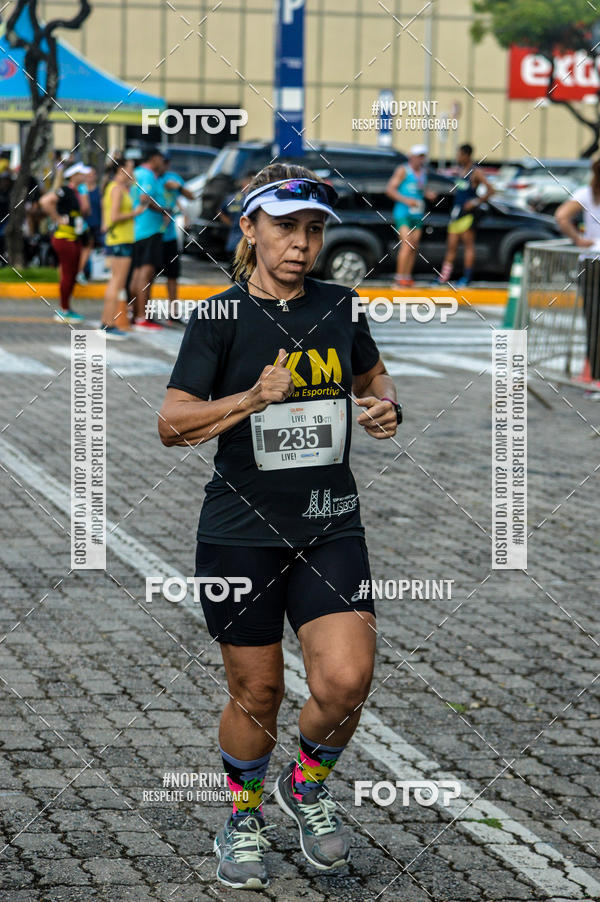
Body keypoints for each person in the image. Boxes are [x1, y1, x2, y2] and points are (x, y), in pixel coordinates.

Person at [159, 163, 402, 890]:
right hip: (240, 531)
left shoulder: (340, 305)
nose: (302, 244)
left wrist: (387, 405)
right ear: (251, 229)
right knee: (255, 696)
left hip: (331, 525)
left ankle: (305, 786)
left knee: (347, 679)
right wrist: (249, 398)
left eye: (315, 229)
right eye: (287, 227)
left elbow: (372, 376)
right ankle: (241, 814)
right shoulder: (218, 318)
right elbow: (173, 424)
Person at [556, 159, 600, 380]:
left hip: (591, 259)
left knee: (593, 320)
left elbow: (561, 216)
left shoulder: (587, 193)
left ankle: (595, 375)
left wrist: (578, 239)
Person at [40, 162, 92, 323]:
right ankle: (64, 309)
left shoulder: (78, 192)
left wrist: (84, 194)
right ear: (74, 176)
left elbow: (86, 211)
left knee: (72, 273)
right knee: (68, 274)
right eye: (82, 174)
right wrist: (57, 218)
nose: (85, 176)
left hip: (74, 237)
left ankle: (67, 307)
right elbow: (45, 201)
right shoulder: (66, 190)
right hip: (64, 238)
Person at [101, 157, 145, 339]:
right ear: (122, 170)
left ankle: (107, 322)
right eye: (130, 168)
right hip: (120, 240)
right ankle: (108, 324)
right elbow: (115, 216)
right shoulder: (117, 189)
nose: (133, 172)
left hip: (119, 239)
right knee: (117, 282)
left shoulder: (115, 187)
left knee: (116, 281)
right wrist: (136, 213)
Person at [438, 143, 494, 286]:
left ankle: (467, 277)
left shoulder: (475, 172)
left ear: (466, 155)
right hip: (456, 214)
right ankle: (444, 277)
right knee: (451, 246)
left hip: (468, 215)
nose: (458, 157)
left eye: (459, 154)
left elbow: (491, 190)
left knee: (468, 246)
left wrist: (475, 202)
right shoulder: (459, 171)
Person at [129, 147, 171, 329]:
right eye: (162, 159)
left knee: (138, 273)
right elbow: (145, 198)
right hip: (149, 230)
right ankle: (142, 316)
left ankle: (135, 312)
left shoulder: (137, 173)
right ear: (154, 159)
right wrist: (163, 210)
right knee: (146, 274)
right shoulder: (147, 175)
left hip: (138, 230)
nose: (163, 164)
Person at [386, 144, 436, 287]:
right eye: (418, 156)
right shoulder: (403, 170)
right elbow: (390, 190)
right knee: (406, 244)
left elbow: (420, 190)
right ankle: (399, 276)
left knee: (414, 246)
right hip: (403, 213)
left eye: (423, 157)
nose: (421, 160)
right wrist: (406, 200)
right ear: (411, 157)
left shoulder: (423, 172)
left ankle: (407, 277)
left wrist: (428, 194)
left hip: (417, 214)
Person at [158, 157, 194, 318]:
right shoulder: (150, 178)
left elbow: (191, 196)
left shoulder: (172, 178)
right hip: (152, 234)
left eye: (165, 164)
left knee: (173, 274)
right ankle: (141, 311)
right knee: (148, 273)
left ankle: (173, 311)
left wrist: (178, 187)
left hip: (169, 235)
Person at [218, 170, 256, 263]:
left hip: (232, 244)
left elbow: (220, 212)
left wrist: (231, 224)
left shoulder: (232, 198)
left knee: (234, 274)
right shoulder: (255, 199)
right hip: (249, 246)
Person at [77, 166, 102, 283]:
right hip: (85, 225)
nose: (90, 177)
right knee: (86, 248)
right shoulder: (82, 189)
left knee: (93, 250)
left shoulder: (100, 190)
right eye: (88, 175)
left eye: (93, 174)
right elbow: (85, 209)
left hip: (98, 224)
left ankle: (90, 272)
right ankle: (81, 272)